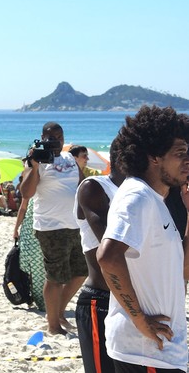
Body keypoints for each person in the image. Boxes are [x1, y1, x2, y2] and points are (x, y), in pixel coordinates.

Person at [97, 106, 189, 372]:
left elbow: (182, 270)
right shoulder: (138, 197)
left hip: (164, 349)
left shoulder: (156, 200)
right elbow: (108, 256)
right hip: (145, 350)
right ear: (153, 156)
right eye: (180, 153)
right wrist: (139, 320)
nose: (188, 160)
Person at [21, 121, 86, 335]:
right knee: (55, 277)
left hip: (74, 224)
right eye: (51, 137)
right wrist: (35, 166)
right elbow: (26, 192)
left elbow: (82, 184)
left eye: (60, 136)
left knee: (81, 272)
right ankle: (53, 325)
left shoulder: (70, 158)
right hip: (51, 227)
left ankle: (57, 312)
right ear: (43, 137)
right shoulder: (37, 161)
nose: (57, 140)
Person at [73, 138, 123, 373]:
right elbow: (110, 249)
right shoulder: (94, 187)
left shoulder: (150, 194)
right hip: (101, 298)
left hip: (132, 301)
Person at [12, 196, 45, 311]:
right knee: (35, 267)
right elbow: (23, 207)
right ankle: (39, 300)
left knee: (36, 267)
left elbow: (23, 207)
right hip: (31, 230)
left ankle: (40, 299)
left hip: (38, 229)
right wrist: (16, 228)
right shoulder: (32, 186)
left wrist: (16, 228)